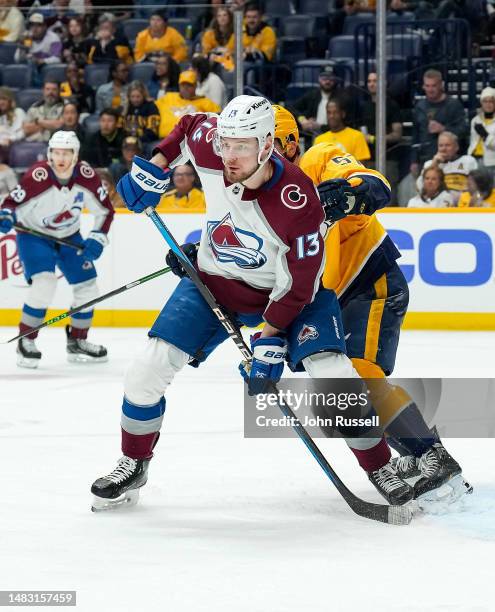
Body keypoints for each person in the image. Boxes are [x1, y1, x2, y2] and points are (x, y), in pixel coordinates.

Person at [90, 95, 418, 512]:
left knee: (336, 374)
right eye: (226, 143)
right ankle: (134, 462)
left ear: (266, 145)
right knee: (146, 370)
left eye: (242, 146)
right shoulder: (217, 145)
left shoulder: (298, 201)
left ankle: (378, 466)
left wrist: (270, 340)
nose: (229, 155)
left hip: (291, 298)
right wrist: (154, 167)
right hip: (216, 284)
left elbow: (298, 286)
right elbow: (189, 126)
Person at [273, 104, 470, 507]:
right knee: (334, 402)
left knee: (360, 375)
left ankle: (432, 457)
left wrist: (348, 193)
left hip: (371, 282)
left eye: (265, 143)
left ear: (291, 142)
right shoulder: (261, 202)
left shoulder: (319, 157)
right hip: (328, 306)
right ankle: (420, 455)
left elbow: (372, 182)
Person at [0, 130, 114, 368]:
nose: (60, 159)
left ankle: (77, 342)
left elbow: (105, 211)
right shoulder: (38, 175)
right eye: (56, 153)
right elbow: (12, 203)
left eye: (66, 153)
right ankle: (26, 341)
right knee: (45, 283)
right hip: (34, 237)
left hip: (69, 235)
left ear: (75, 156)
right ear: (50, 153)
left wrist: (97, 237)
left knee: (88, 288)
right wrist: (6, 215)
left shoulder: (86, 175)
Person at [411, 69, 468, 172]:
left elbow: (464, 130)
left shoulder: (453, 105)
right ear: (423, 86)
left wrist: (443, 129)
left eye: (433, 86)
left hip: (450, 161)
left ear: (441, 85)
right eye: (427, 86)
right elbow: (415, 135)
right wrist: (414, 160)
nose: (430, 89)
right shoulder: (420, 107)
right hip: (425, 159)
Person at [359, 72, 402, 199]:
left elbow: (397, 134)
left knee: (389, 195)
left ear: (384, 83)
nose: (372, 84)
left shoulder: (392, 105)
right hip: (368, 159)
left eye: (375, 81)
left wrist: (373, 139)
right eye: (369, 81)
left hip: (389, 159)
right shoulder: (364, 107)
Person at [417, 131, 477, 205]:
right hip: (438, 203)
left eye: (447, 145)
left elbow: (477, 185)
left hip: (462, 202)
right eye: (441, 146)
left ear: (456, 147)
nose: (443, 149)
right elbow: (420, 187)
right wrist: (434, 164)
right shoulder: (430, 164)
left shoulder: (468, 161)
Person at [156, 70, 220, 139]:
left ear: (195, 86)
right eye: (183, 85)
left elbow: (218, 119)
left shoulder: (205, 102)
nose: (185, 88)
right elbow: (150, 107)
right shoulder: (168, 97)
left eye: (189, 85)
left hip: (189, 143)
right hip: (164, 140)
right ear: (179, 86)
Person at [314, 98, 371, 162]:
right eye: (329, 112)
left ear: (343, 114)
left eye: (335, 112)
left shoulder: (357, 136)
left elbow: (362, 167)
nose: (331, 116)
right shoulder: (319, 140)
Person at [18, 13, 63, 86]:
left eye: (38, 25)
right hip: (30, 69)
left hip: (47, 71)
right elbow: (18, 59)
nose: (35, 28)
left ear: (45, 26)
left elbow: (57, 58)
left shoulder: (53, 38)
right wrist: (21, 47)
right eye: (32, 25)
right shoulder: (26, 37)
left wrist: (41, 61)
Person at [468, 87, 495, 172]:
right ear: (481, 103)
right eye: (485, 101)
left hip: (491, 162)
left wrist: (485, 135)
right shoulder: (475, 120)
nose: (488, 104)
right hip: (473, 160)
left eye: (491, 101)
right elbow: (473, 142)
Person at [201, 6, 235, 72]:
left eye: (225, 15)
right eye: (219, 16)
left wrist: (226, 51)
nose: (222, 18)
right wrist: (214, 52)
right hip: (214, 58)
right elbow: (206, 51)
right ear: (216, 19)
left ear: (230, 17)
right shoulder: (209, 34)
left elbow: (235, 49)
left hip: (231, 58)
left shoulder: (236, 33)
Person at [0, 87, 26, 163]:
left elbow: (22, 132)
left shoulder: (18, 112)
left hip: (13, 146)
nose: (1, 102)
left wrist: (11, 139)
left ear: (10, 101)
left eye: (4, 99)